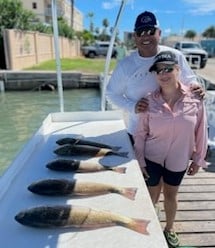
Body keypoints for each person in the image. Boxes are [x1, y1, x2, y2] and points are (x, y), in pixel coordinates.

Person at [133, 50, 208, 247]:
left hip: (179, 158)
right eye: (158, 71)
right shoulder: (148, 100)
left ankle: (169, 229)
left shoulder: (196, 97)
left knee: (171, 195)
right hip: (152, 157)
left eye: (168, 69)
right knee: (152, 194)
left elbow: (201, 131)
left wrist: (198, 159)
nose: (163, 74)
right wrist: (140, 161)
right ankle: (149, 225)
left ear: (178, 69)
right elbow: (140, 134)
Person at [106, 11, 204, 144]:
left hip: (173, 133)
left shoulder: (176, 56)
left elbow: (189, 79)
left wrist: (195, 87)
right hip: (139, 134)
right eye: (140, 33)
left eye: (151, 31)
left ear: (159, 33)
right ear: (135, 36)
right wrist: (132, 106)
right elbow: (112, 93)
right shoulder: (125, 65)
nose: (145, 36)